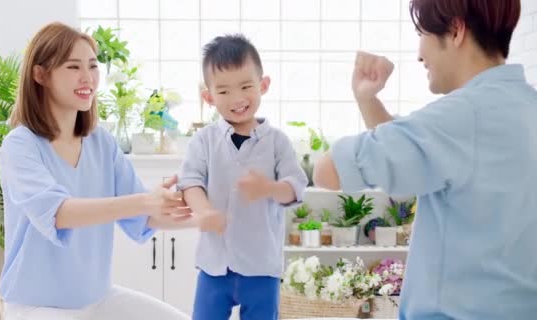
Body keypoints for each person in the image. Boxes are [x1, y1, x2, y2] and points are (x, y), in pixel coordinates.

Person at [313, 0, 537, 319]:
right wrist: (368, 98)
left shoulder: (459, 116)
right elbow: (424, 154)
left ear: (456, 30)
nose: (419, 54)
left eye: (422, 33)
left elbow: (327, 171)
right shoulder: (526, 107)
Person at [0, 22, 194, 320]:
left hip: (98, 298)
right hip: (37, 306)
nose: (87, 77)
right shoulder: (20, 145)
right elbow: (58, 213)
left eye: (93, 66)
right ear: (40, 75)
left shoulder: (101, 142)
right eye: (73, 66)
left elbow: (146, 215)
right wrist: (145, 201)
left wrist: (206, 211)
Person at [177, 34, 308, 320]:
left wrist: (270, 188)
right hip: (214, 265)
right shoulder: (203, 140)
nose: (237, 99)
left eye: (246, 87)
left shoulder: (277, 142)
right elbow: (191, 182)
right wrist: (204, 212)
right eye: (223, 91)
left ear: (263, 85)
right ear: (208, 97)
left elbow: (296, 188)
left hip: (261, 266)